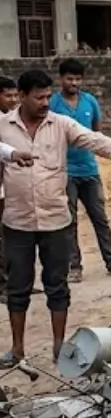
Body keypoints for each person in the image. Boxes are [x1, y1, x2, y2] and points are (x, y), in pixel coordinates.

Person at [0, 69, 111, 366]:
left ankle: (59, 347)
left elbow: (95, 140)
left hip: (56, 220)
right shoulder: (3, 127)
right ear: (21, 96)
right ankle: (17, 350)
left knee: (57, 286)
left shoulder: (61, 124)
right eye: (39, 97)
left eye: (47, 96)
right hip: (17, 221)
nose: (45, 102)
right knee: (18, 288)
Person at [50, 59, 111, 282]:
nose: (74, 83)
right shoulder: (52, 104)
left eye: (78, 79)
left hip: (90, 170)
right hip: (65, 172)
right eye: (70, 78)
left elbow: (97, 136)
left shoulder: (90, 102)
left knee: (100, 219)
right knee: (70, 221)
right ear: (61, 79)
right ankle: (74, 267)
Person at [0, 76, 17, 302]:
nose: (13, 100)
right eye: (8, 95)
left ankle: (14, 282)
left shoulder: (12, 120)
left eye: (15, 95)